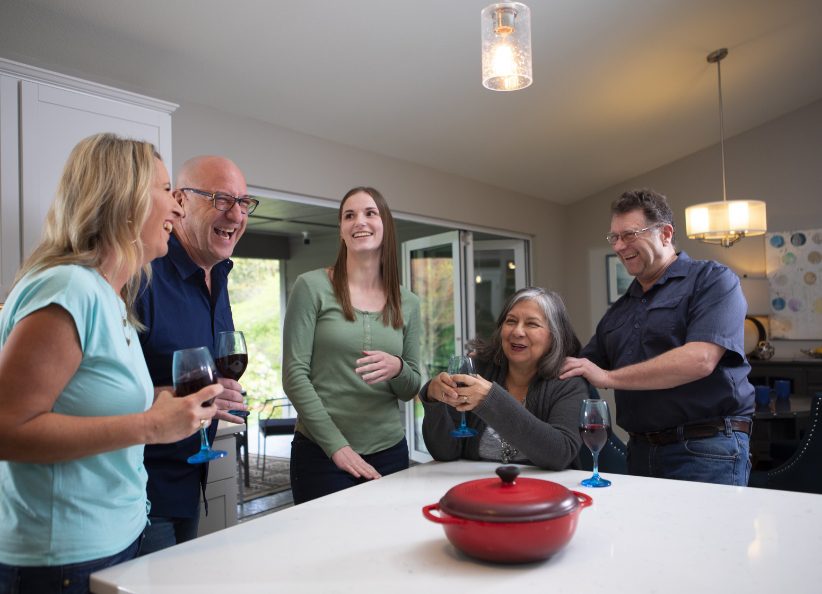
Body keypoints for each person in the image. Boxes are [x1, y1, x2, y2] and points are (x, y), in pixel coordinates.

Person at [0, 133, 220, 594]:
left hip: (118, 538)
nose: (178, 209)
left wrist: (159, 403)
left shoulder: (110, 296)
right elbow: (7, 428)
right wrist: (150, 426)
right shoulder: (68, 288)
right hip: (64, 558)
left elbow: (86, 401)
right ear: (125, 201)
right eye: (166, 191)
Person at [560, 188, 754, 486]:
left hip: (706, 448)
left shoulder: (712, 280)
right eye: (614, 237)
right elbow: (579, 368)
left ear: (665, 233)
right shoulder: (619, 311)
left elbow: (700, 360)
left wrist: (609, 378)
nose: (620, 246)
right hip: (639, 452)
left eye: (629, 234)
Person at [136, 155, 252, 554]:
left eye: (243, 202)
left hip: (193, 482)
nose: (235, 214)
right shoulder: (143, 275)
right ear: (180, 201)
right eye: (221, 199)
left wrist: (223, 393)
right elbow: (109, 387)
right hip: (145, 496)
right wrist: (194, 395)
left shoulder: (218, 274)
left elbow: (211, 373)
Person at [283, 186, 422, 504]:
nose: (359, 221)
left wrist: (397, 367)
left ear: (385, 224)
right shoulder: (311, 287)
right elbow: (294, 375)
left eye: (370, 213)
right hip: (321, 455)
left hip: (390, 454)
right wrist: (337, 448)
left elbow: (410, 387)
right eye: (349, 215)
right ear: (342, 231)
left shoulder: (408, 302)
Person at [421, 287, 588, 469]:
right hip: (479, 489)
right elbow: (445, 452)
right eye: (511, 321)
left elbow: (559, 454)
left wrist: (490, 399)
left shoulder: (569, 382)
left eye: (532, 324)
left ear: (554, 336)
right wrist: (432, 399)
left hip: (545, 492)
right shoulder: (477, 370)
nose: (517, 331)